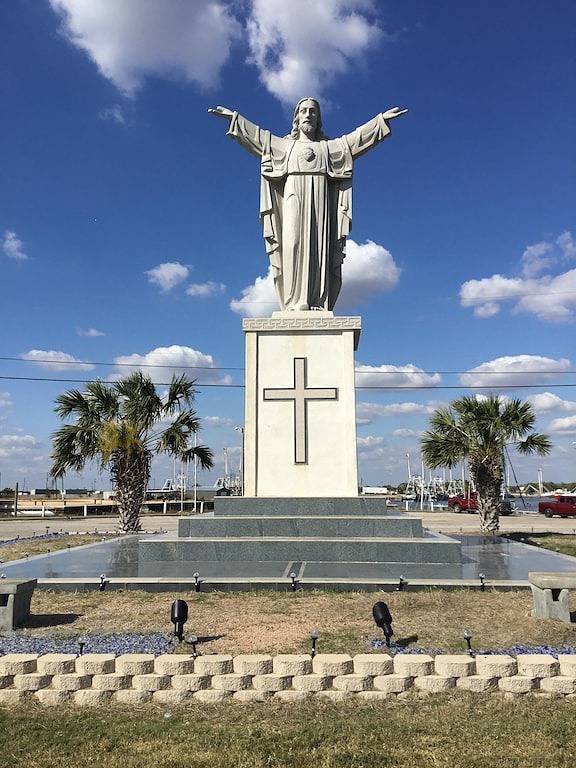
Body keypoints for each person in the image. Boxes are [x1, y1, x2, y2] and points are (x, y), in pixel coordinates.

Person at [209, 98, 407, 312]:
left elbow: (355, 140)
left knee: (318, 247)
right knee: (292, 243)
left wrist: (380, 122)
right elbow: (259, 137)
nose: (308, 115)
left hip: (321, 201)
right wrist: (235, 119)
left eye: (313, 111)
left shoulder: (329, 148)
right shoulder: (284, 146)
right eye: (303, 111)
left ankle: (316, 301)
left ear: (318, 118)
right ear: (296, 117)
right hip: (293, 196)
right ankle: (294, 301)